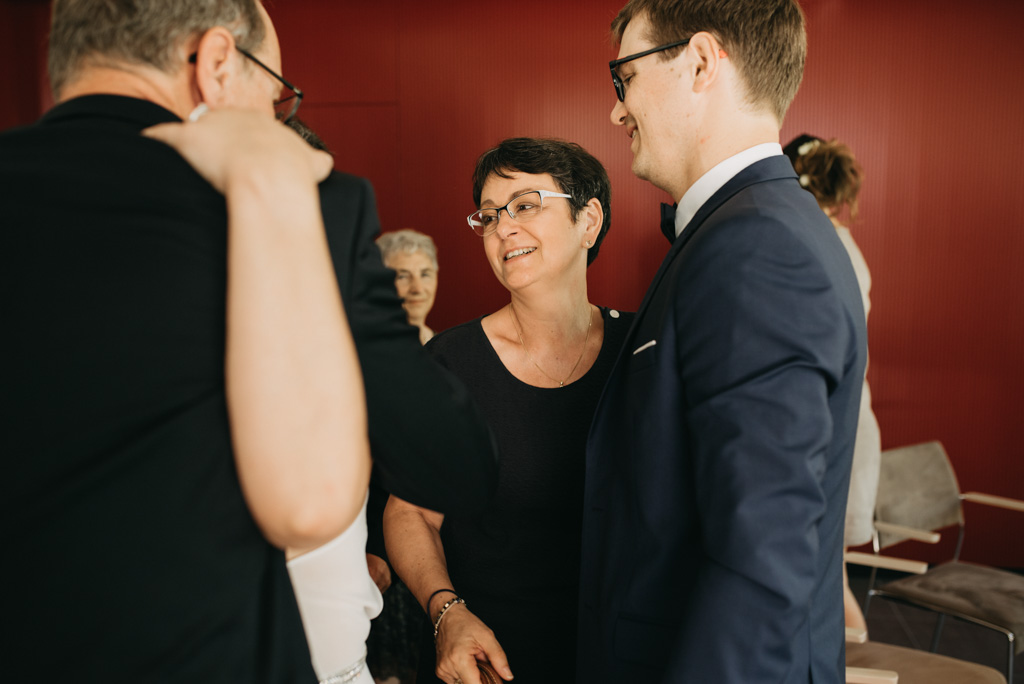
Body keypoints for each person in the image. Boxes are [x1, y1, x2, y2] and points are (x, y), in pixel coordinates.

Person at [1, 1, 498, 680]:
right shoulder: (305, 203)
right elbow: (453, 465)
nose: (278, 117)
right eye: (276, 94)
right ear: (214, 64)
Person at [577, 1, 868, 682]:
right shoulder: (750, 227)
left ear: (702, 62)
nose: (617, 110)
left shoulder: (756, 247)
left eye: (624, 77)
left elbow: (760, 564)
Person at [385, 138, 632, 684]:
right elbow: (410, 513)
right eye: (490, 215)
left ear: (588, 220)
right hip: (485, 662)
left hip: (617, 656)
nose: (502, 227)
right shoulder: (450, 362)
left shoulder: (640, 351)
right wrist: (446, 612)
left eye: (525, 204)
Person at [785, 134, 881, 633]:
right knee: (830, 576)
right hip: (852, 420)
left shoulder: (811, 244)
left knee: (831, 583)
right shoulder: (842, 243)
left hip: (834, 428)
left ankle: (857, 661)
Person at [376, 229, 440, 345]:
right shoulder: (363, 350)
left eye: (425, 274)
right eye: (402, 276)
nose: (418, 289)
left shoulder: (446, 348)